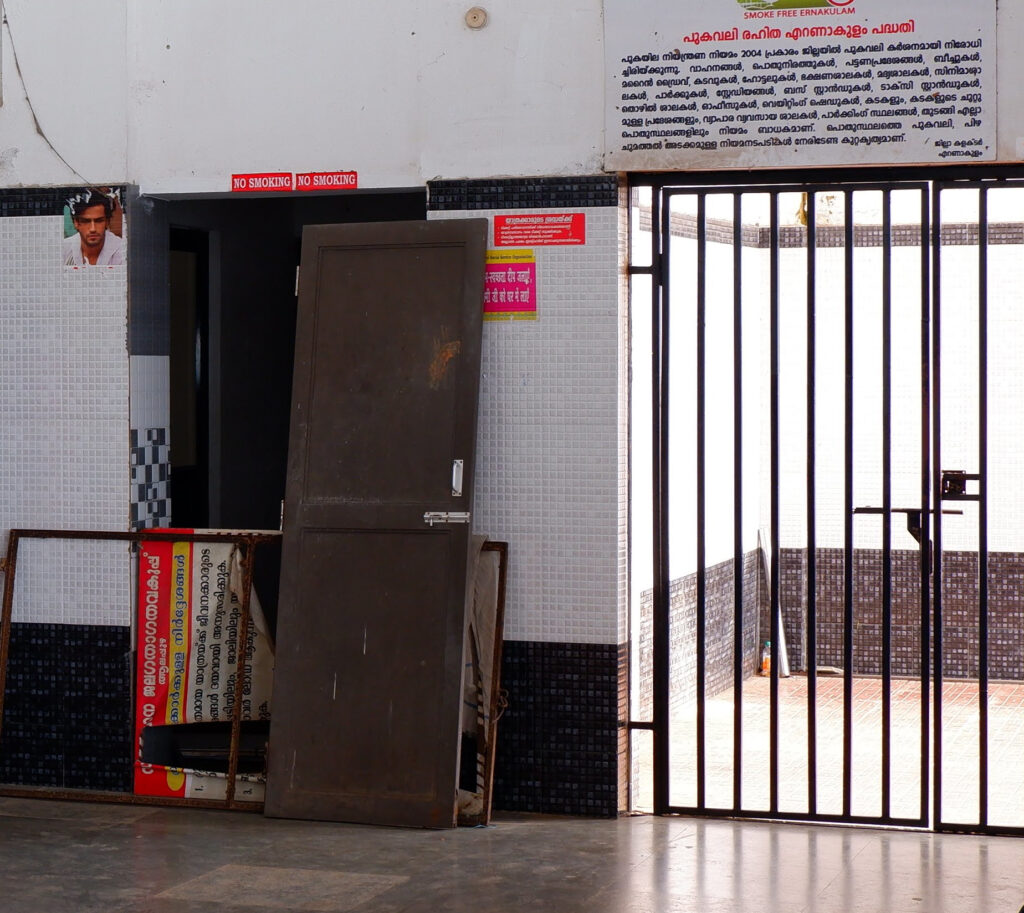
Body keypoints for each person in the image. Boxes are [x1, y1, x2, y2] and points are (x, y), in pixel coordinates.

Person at [62, 189, 125, 266]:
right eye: (86, 221)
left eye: (99, 221)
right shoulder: (63, 249)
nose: (93, 229)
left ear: (107, 222)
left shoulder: (122, 251)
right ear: (76, 223)